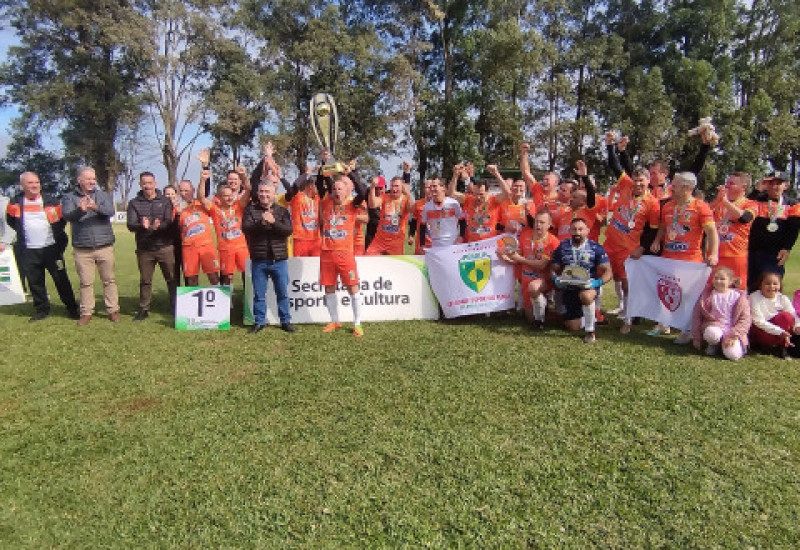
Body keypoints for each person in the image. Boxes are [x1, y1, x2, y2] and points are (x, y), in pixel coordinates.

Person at [650, 172, 718, 342]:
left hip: (690, 260)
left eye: (675, 185)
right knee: (665, 290)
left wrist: (713, 253)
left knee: (688, 296)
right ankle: (664, 324)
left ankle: (687, 329)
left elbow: (712, 232)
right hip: (668, 257)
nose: (671, 187)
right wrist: (657, 241)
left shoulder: (701, 207)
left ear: (687, 188)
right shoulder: (667, 206)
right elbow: (663, 227)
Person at [6, 171, 79, 321]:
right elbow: (11, 221)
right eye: (30, 183)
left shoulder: (51, 201)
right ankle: (41, 309)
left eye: (37, 182)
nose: (34, 186)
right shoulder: (15, 203)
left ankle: (72, 308)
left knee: (61, 280)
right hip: (29, 250)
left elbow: (60, 222)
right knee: (35, 281)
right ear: (22, 185)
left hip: (52, 249)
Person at [603, 166, 661, 333]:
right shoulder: (626, 185)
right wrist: (612, 146)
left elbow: (652, 230)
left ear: (648, 182)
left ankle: (627, 319)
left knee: (627, 284)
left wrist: (642, 248)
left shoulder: (652, 203)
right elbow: (616, 166)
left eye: (641, 181)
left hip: (628, 248)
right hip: (610, 242)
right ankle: (596, 313)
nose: (637, 184)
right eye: (635, 180)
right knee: (602, 273)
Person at [61, 166, 120, 325]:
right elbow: (67, 215)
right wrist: (80, 210)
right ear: (79, 180)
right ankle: (86, 312)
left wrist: (96, 208)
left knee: (109, 280)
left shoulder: (102, 195)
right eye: (88, 179)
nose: (92, 181)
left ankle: (113, 310)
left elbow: (110, 212)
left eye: (93, 179)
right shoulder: (69, 197)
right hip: (82, 248)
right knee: (86, 282)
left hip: (104, 246)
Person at [318, 174, 369, 336]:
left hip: (345, 253)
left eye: (340, 188)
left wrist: (352, 173)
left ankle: (357, 324)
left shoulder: (352, 204)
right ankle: (335, 321)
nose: (336, 191)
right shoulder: (327, 203)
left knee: (352, 287)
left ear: (347, 191)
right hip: (326, 252)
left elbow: (363, 192)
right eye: (334, 189)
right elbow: (321, 183)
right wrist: (325, 165)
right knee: (329, 287)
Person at [242, 180, 294, 334]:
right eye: (261, 191)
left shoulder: (282, 211)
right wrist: (262, 222)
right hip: (259, 259)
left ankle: (285, 321)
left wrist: (274, 222)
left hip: (279, 259)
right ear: (258, 193)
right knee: (259, 294)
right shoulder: (250, 210)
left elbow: (288, 230)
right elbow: (246, 229)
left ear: (274, 194)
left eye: (267, 192)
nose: (264, 194)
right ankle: (259, 322)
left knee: (282, 293)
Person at [550, 217, 612, 343]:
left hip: (588, 286)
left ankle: (590, 331)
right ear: (569, 231)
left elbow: (608, 271)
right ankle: (592, 315)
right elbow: (553, 267)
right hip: (569, 288)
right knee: (573, 327)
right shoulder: (563, 247)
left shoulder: (595, 248)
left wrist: (597, 283)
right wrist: (555, 278)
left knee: (586, 296)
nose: (577, 232)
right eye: (574, 229)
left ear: (587, 231)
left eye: (580, 229)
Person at [127, 171, 178, 321]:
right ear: (140, 184)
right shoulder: (134, 203)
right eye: (144, 183)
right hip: (145, 248)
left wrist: (159, 226)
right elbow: (130, 225)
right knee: (145, 280)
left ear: (155, 183)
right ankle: (144, 308)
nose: (147, 186)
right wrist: (142, 226)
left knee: (171, 279)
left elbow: (168, 221)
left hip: (165, 246)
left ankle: (175, 306)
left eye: (150, 183)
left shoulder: (165, 201)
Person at [499, 210, 559, 328]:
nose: (538, 225)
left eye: (542, 222)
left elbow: (541, 265)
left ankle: (540, 321)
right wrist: (505, 256)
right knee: (529, 318)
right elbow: (517, 258)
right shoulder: (525, 235)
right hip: (526, 281)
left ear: (549, 225)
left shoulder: (553, 242)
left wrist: (520, 259)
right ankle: (544, 307)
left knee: (534, 287)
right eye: (537, 221)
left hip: (543, 281)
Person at [746, 171, 800, 292]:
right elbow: (743, 208)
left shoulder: (793, 204)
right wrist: (756, 190)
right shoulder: (757, 199)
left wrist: (787, 248)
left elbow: (793, 228)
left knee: (771, 287)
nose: (773, 186)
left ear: (786, 185)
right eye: (770, 183)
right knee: (751, 287)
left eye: (778, 183)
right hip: (752, 252)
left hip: (774, 254)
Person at [204, 165, 251, 286]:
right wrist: (204, 172)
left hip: (242, 244)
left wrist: (244, 175)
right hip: (225, 246)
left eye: (236, 179)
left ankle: (248, 300)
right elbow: (203, 197)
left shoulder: (240, 202)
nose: (233, 181)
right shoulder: (217, 202)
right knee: (226, 275)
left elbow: (249, 189)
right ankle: (227, 302)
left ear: (240, 181)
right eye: (230, 179)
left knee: (247, 272)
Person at [690, 266, 751, 360]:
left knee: (734, 356)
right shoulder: (707, 295)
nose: (718, 281)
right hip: (715, 327)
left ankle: (724, 346)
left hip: (732, 330)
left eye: (722, 279)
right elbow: (697, 316)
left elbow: (745, 320)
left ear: (730, 281)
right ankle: (713, 344)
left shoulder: (739, 297)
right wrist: (696, 337)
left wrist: (733, 336)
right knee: (712, 333)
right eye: (716, 278)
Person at [709, 172, 756, 290]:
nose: (727, 186)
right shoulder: (719, 202)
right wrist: (717, 200)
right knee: (712, 290)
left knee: (737, 291)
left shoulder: (750, 204)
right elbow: (704, 214)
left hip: (736, 256)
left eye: (732, 184)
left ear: (743, 187)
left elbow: (744, 218)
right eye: (727, 183)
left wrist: (725, 202)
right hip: (716, 255)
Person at [177, 174, 220, 286]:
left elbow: (203, 194)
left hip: (206, 246)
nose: (183, 193)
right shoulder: (177, 208)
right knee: (191, 279)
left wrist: (203, 178)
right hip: (189, 248)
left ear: (193, 190)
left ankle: (223, 302)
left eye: (186, 190)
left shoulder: (201, 203)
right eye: (181, 191)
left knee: (213, 276)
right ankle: (193, 303)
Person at [748, 270, 800, 359]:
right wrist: (780, 332)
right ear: (760, 285)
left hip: (779, 332)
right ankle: (765, 346)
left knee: (786, 317)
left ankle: (781, 347)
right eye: (767, 284)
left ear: (779, 286)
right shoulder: (754, 297)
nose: (771, 286)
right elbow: (758, 321)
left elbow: (793, 314)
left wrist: (797, 326)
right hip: (761, 330)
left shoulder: (783, 298)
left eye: (775, 284)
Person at [366, 175, 413, 255]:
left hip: (396, 244)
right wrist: (373, 187)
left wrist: (408, 193)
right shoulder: (384, 197)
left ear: (402, 187)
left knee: (395, 266)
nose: (394, 189)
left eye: (397, 186)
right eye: (392, 186)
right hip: (379, 242)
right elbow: (372, 205)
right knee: (368, 259)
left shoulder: (405, 199)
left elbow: (411, 209)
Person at [419, 178, 464, 248]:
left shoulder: (453, 203)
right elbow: (422, 226)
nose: (432, 189)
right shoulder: (427, 207)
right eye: (431, 187)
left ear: (443, 188)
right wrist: (422, 244)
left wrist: (461, 236)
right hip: (435, 243)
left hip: (452, 242)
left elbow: (462, 221)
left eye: (435, 186)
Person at [162, 184, 184, 284]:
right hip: (169, 245)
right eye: (167, 194)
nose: (170, 196)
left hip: (184, 245)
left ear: (176, 195)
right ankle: (176, 298)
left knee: (188, 273)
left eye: (172, 193)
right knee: (174, 274)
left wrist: (179, 215)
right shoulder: (161, 210)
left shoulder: (182, 208)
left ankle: (189, 297)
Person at [407, 179, 433, 254]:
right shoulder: (418, 203)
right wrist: (411, 235)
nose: (427, 190)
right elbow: (414, 221)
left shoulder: (440, 204)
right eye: (426, 187)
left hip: (435, 243)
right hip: (421, 244)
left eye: (429, 187)